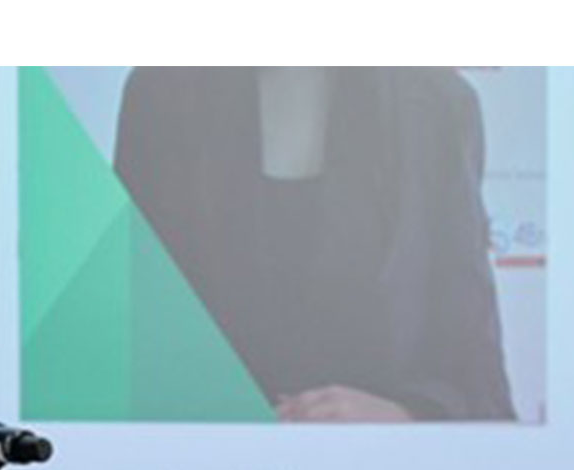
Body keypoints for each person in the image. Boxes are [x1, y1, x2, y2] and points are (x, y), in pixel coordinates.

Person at [114, 67, 514, 422]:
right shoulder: (161, 94)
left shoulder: (436, 101)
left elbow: (472, 363)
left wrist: (404, 414)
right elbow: (130, 330)